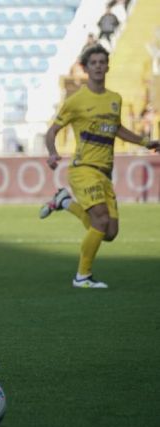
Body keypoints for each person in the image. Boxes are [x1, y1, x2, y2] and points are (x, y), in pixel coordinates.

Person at [39, 45, 160, 288]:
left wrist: (145, 142)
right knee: (101, 219)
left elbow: (117, 129)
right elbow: (52, 131)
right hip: (83, 169)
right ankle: (82, 276)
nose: (98, 66)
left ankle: (65, 202)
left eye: (102, 62)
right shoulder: (76, 100)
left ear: (107, 66)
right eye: (93, 62)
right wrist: (52, 153)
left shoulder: (114, 99)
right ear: (86, 68)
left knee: (109, 232)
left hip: (105, 172)